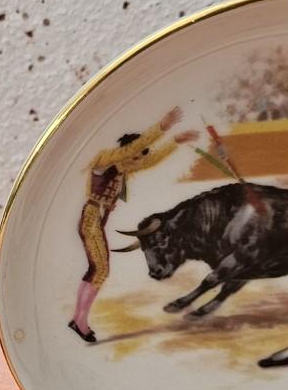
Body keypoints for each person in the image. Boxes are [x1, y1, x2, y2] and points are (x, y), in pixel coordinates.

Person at [69, 106, 195, 343]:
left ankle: (78, 318)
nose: (137, 161)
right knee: (101, 270)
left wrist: (174, 142)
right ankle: (80, 321)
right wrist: (161, 128)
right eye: (135, 155)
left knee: (96, 270)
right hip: (91, 219)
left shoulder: (122, 167)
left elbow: (149, 160)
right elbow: (134, 150)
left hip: (96, 220)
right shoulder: (106, 159)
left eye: (138, 157)